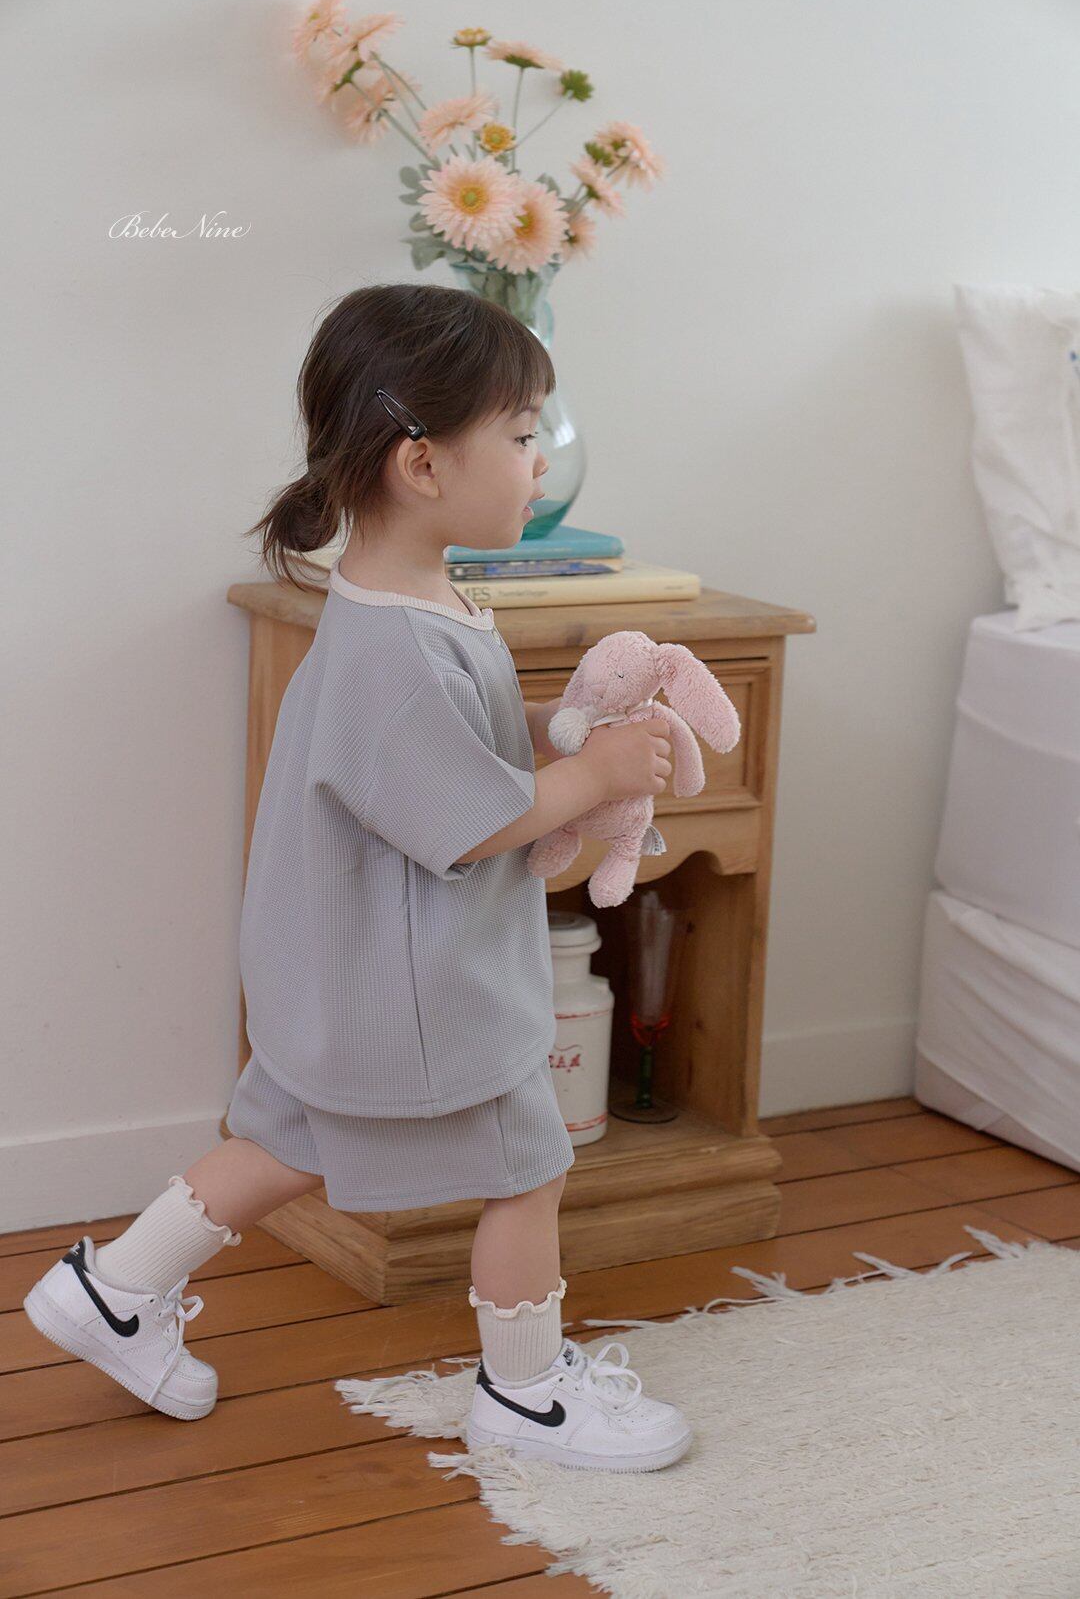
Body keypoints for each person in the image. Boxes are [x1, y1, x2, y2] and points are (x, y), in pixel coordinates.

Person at [23, 282, 691, 1471]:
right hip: (422, 992)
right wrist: (595, 776)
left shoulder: (410, 606)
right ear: (422, 465)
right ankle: (528, 1394)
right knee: (529, 1164)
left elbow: (455, 767)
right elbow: (473, 823)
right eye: (521, 436)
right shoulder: (394, 647)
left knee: (284, 1136)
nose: (541, 461)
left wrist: (570, 738)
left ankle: (114, 1289)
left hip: (350, 978)